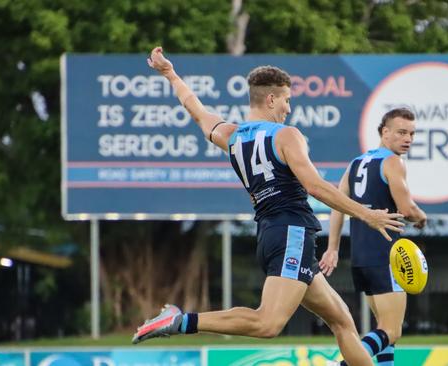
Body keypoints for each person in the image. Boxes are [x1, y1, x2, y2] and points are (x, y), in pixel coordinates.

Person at [132, 47, 405, 366]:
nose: (289, 108)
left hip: (272, 234)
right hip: (292, 233)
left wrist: (170, 74)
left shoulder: (230, 135)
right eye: (287, 100)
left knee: (343, 321)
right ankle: (181, 321)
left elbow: (195, 109)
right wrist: (367, 214)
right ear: (271, 99)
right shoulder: (287, 136)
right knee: (268, 323)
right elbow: (315, 186)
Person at [319, 108, 426, 366]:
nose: (408, 138)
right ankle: (342, 364)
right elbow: (407, 209)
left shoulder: (356, 163)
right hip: (387, 256)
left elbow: (337, 205)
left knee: (384, 330)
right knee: (392, 330)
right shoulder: (393, 163)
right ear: (384, 132)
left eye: (411, 133)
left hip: (361, 257)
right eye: (401, 132)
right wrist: (421, 217)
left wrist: (332, 247)